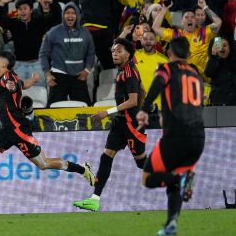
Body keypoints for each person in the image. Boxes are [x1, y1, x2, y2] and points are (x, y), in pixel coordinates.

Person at [0, 51, 95, 212]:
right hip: (6, 129)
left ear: (4, 65)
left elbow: (13, 86)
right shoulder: (10, 77)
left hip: (17, 129)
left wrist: (13, 88)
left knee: (44, 164)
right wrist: (32, 81)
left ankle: (82, 169)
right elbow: (21, 85)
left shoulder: (7, 79)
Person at [136, 36, 205, 235]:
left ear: (170, 53)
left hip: (177, 136)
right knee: (174, 176)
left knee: (148, 178)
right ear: (189, 54)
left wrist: (144, 109)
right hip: (199, 138)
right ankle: (171, 224)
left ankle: (182, 180)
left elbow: (158, 83)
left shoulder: (166, 68)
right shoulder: (196, 74)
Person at [73, 38, 147, 212]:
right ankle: (94, 199)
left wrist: (108, 112)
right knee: (106, 156)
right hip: (121, 122)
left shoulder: (129, 72)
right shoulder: (124, 70)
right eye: (113, 51)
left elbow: (133, 100)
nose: (115, 53)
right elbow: (142, 90)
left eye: (119, 51)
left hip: (131, 123)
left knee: (141, 163)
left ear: (128, 54)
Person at [39, 2, 95, 106]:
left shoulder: (85, 33)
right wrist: (47, 74)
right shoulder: (53, 32)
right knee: (52, 111)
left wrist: (87, 70)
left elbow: (91, 53)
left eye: (73, 13)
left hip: (79, 77)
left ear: (77, 15)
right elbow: (43, 54)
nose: (70, 16)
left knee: (86, 109)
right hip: (58, 77)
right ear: (63, 15)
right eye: (67, 13)